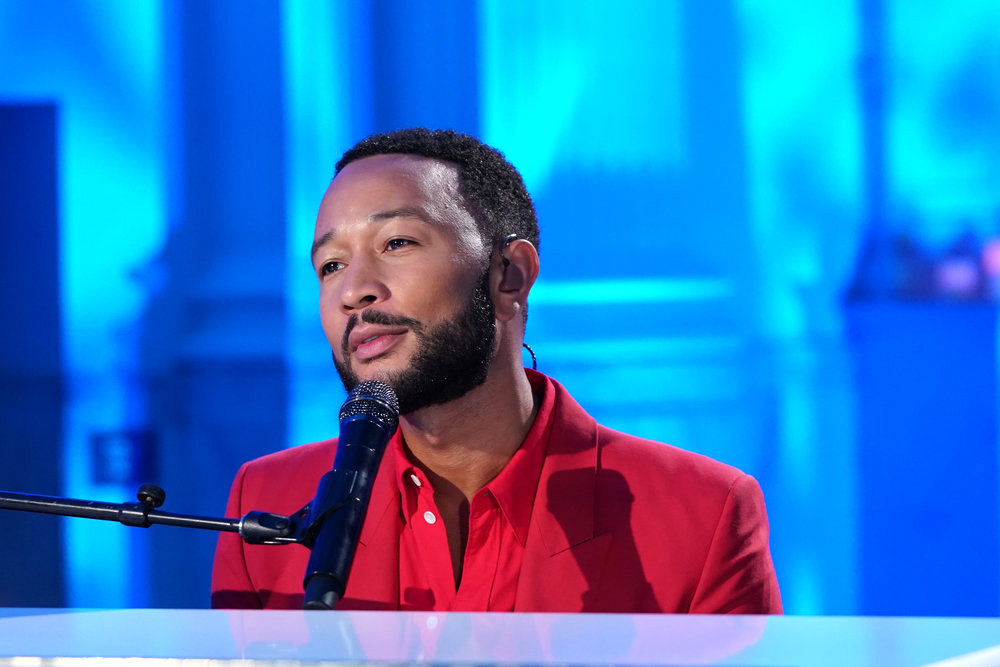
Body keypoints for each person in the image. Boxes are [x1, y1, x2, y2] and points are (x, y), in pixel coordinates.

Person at [211, 128, 782, 613]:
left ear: (510, 273)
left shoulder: (701, 513)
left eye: (398, 241)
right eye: (330, 264)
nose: (354, 292)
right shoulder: (267, 500)